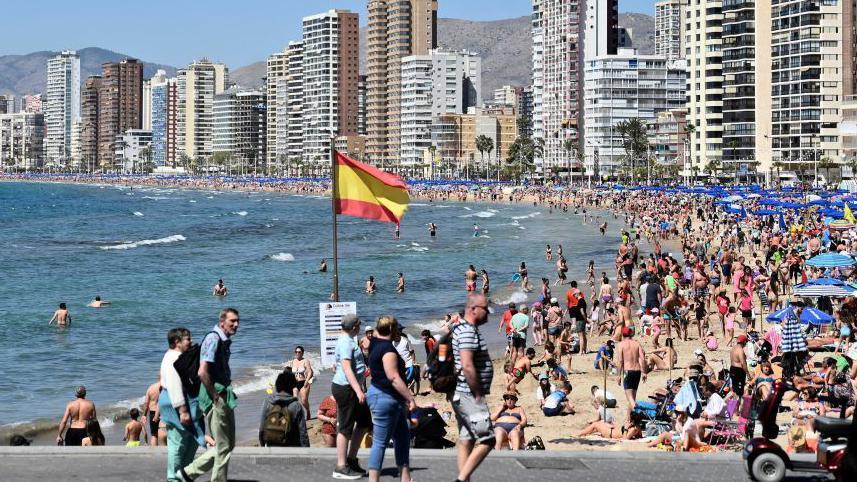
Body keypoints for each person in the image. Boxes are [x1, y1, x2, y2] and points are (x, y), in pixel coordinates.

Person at [177, 308, 240, 482]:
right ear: (222, 322)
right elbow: (202, 372)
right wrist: (215, 396)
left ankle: (187, 473)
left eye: (237, 321)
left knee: (228, 444)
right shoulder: (213, 338)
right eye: (232, 321)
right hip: (216, 397)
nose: (236, 324)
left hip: (223, 395)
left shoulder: (223, 340)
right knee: (223, 446)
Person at [366, 315, 417, 482]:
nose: (399, 333)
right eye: (396, 329)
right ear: (390, 330)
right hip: (385, 397)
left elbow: (373, 333)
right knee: (380, 442)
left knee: (402, 438)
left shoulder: (374, 342)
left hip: (386, 397)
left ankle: (406, 478)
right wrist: (410, 398)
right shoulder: (387, 350)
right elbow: (393, 377)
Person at [451, 294, 494, 482]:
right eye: (485, 308)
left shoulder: (461, 329)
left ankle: (464, 479)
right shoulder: (468, 331)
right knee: (488, 439)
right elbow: (467, 365)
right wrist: (477, 393)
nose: (488, 313)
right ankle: (461, 480)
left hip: (461, 393)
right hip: (469, 394)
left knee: (466, 438)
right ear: (473, 309)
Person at [159, 327, 204, 482]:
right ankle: (173, 478)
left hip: (181, 401)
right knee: (178, 442)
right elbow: (174, 385)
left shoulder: (180, 356)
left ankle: (184, 475)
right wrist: (182, 410)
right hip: (176, 402)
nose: (191, 342)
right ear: (177, 342)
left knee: (190, 440)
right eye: (188, 339)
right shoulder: (173, 358)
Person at [330, 314, 371, 480]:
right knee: (345, 426)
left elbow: (338, 363)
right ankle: (341, 466)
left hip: (351, 387)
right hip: (346, 388)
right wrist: (359, 390)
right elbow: (347, 369)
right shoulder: (346, 342)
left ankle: (352, 459)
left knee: (364, 422)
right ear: (355, 326)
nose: (360, 327)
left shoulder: (346, 340)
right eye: (359, 324)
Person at [258, 370, 309, 447]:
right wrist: (306, 451)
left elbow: (262, 428)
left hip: (272, 447)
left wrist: (263, 444)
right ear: (292, 387)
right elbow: (303, 433)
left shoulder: (268, 402)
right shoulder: (296, 405)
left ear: (277, 385)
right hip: (292, 447)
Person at [615, 326, 647, 421]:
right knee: (633, 397)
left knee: (630, 398)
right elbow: (642, 358)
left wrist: (618, 375)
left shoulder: (621, 345)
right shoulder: (637, 344)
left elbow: (620, 361)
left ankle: (639, 414)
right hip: (637, 371)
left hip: (627, 371)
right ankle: (628, 419)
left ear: (622, 334)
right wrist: (644, 372)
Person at [393, 324, 419, 394]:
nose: (400, 331)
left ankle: (411, 389)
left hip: (408, 362)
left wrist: (413, 361)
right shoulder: (392, 342)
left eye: (400, 330)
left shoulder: (405, 339)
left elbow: (412, 351)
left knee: (409, 377)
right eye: (398, 330)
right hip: (398, 364)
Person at [288, 346, 313, 418]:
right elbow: (289, 372)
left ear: (302, 353)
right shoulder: (293, 361)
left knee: (304, 400)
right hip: (295, 383)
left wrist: (307, 381)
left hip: (303, 382)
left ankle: (308, 411)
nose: (297, 353)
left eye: (299, 352)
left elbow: (310, 371)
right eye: (296, 352)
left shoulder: (305, 361)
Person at [141, 376, 163, 446]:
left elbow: (146, 403)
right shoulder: (166, 386)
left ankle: (154, 453)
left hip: (153, 412)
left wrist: (144, 415)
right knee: (165, 433)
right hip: (164, 412)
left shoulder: (151, 388)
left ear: (158, 378)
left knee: (154, 435)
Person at [730, 333, 749, 402]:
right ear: (743, 342)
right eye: (746, 342)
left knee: (734, 390)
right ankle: (737, 408)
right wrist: (748, 374)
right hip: (738, 371)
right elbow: (743, 363)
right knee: (739, 392)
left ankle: (733, 407)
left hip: (732, 369)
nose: (746, 344)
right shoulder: (740, 350)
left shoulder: (733, 348)